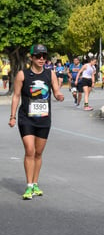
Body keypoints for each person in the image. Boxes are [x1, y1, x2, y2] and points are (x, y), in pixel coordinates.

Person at [8, 44, 64, 200]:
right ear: (31, 58)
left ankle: (35, 183)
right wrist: (12, 116)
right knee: (30, 150)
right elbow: (16, 96)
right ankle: (29, 186)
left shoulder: (50, 74)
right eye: (38, 56)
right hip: (26, 118)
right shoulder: (22, 74)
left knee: (38, 153)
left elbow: (56, 90)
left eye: (44, 56)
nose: (41, 59)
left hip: (44, 119)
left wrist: (59, 95)